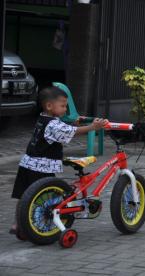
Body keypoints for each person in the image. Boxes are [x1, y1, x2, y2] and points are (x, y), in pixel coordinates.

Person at [10, 86, 108, 237]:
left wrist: (75, 121)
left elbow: (64, 127)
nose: (65, 109)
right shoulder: (54, 124)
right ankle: (36, 226)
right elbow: (72, 132)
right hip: (41, 168)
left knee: (25, 196)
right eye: (62, 106)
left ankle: (18, 224)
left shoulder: (44, 118)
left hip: (27, 164)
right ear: (50, 106)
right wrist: (92, 127)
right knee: (42, 197)